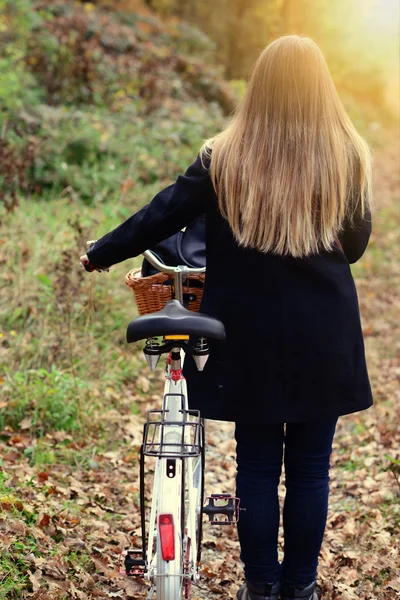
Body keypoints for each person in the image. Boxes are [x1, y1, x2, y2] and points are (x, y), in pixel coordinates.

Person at [80, 34, 373, 600]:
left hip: (247, 334)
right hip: (323, 334)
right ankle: (302, 589)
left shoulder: (225, 156)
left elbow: (161, 212)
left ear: (258, 88)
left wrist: (101, 251)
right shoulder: (348, 156)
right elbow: (355, 246)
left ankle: (259, 589)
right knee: (312, 471)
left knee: (257, 468)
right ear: (323, 89)